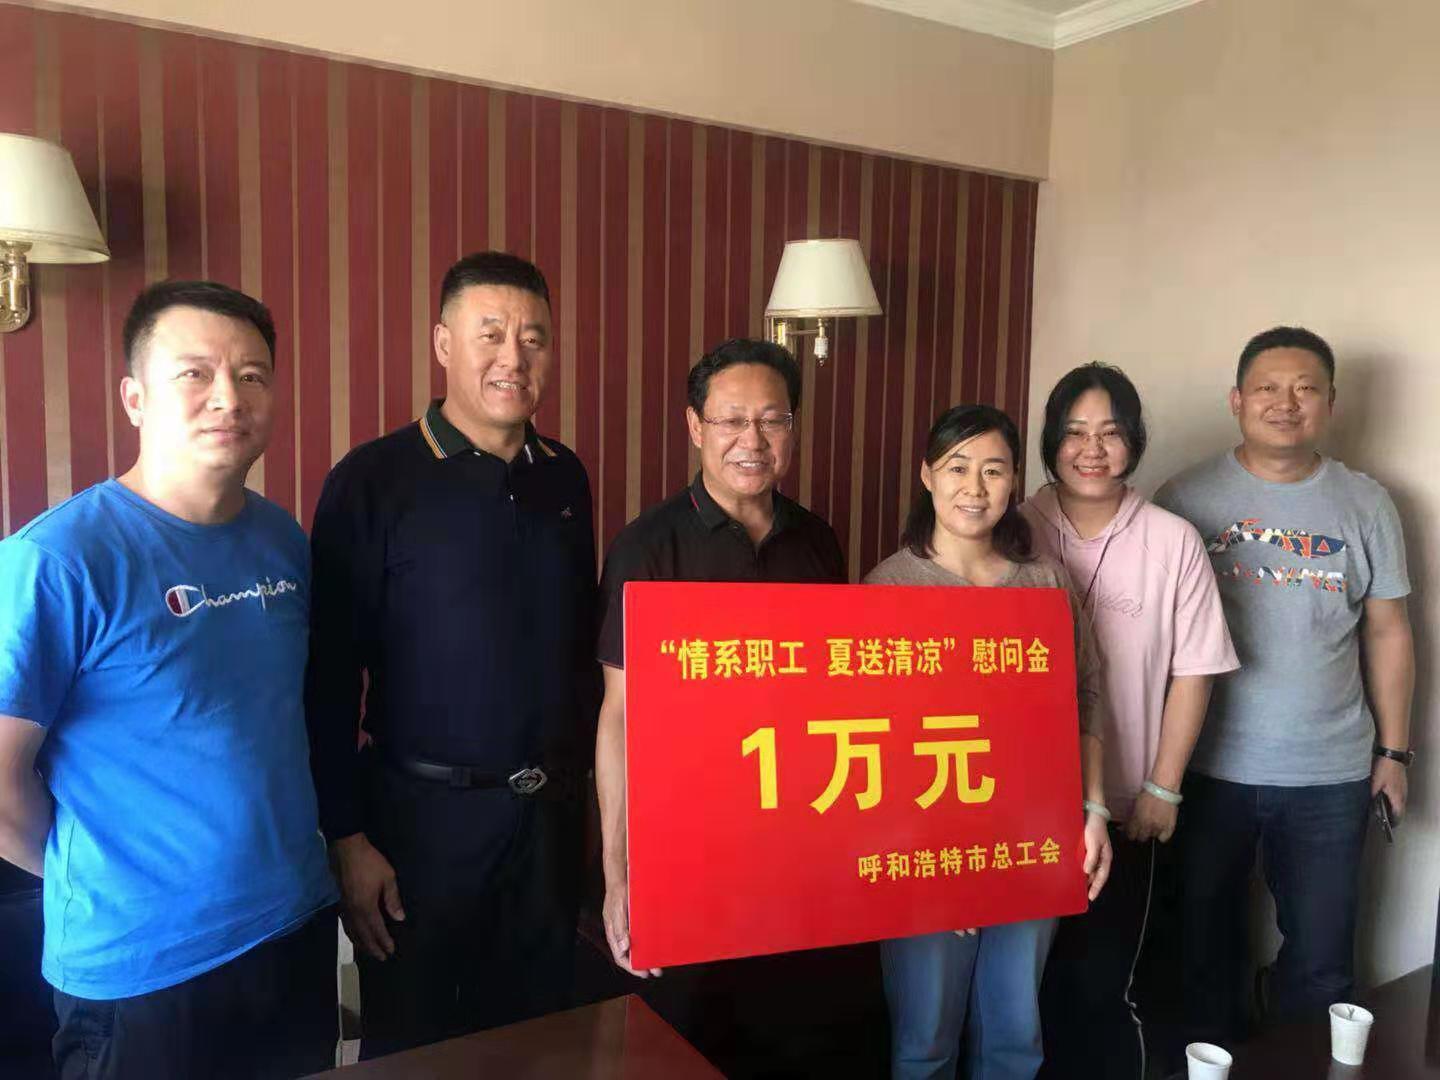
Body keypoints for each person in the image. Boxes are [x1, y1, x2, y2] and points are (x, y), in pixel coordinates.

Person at [0, 280, 338, 1080]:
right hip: (142, 968)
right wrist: (107, 875)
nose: (229, 397)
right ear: (135, 398)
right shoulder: (59, 560)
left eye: (252, 376)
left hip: (292, 926)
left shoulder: (281, 540)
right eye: (195, 373)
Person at [305, 252, 598, 1057]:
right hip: (419, 830)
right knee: (416, 1049)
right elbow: (327, 680)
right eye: (490, 334)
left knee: (541, 1044)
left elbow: (581, 655)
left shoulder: (565, 476)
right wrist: (347, 840)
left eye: (534, 338)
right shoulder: (372, 479)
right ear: (443, 344)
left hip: (546, 827)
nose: (514, 357)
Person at [1155, 327, 1414, 1042]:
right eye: (1267, 387)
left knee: (1324, 967)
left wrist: (1394, 753)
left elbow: (1389, 631)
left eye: (1305, 388)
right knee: (1203, 955)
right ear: (1237, 400)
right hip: (1206, 768)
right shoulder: (1184, 496)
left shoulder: (1366, 503)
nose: (1285, 402)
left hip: (1330, 773)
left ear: (1330, 402)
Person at [866, 403, 1112, 1080]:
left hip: (1032, 841)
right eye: (957, 467)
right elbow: (874, 739)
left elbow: (1086, 697)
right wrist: (941, 866)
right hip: (924, 853)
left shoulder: (1045, 582)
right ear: (927, 476)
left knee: (1014, 1036)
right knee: (925, 1041)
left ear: (1014, 483)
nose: (974, 487)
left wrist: (1093, 810)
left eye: (994, 470)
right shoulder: (888, 587)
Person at [595, 338, 846, 978]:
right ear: (695, 427)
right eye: (732, 419)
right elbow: (619, 717)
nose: (752, 440)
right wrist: (618, 873)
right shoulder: (645, 549)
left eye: (772, 420)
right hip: (685, 844)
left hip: (795, 842)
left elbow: (834, 700)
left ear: (793, 428)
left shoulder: (818, 543)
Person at [1022, 364, 1238, 1080]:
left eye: (1110, 433)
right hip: (1020, 809)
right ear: (1050, 441)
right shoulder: (1014, 528)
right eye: (1074, 432)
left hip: (1123, 806)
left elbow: (1195, 671)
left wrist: (1163, 788)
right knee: (1022, 992)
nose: (1092, 449)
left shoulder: (1172, 540)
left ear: (1135, 441)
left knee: (1104, 984)